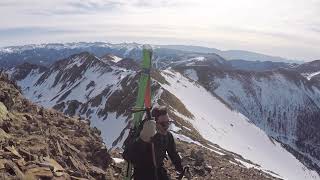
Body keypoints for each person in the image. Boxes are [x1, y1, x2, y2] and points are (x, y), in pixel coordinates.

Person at [126, 106, 183, 180]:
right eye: (163, 124)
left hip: (159, 171)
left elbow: (173, 153)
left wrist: (180, 168)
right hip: (143, 173)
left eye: (168, 123)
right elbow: (127, 155)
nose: (166, 127)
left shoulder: (168, 136)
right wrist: (142, 141)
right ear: (155, 123)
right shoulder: (145, 134)